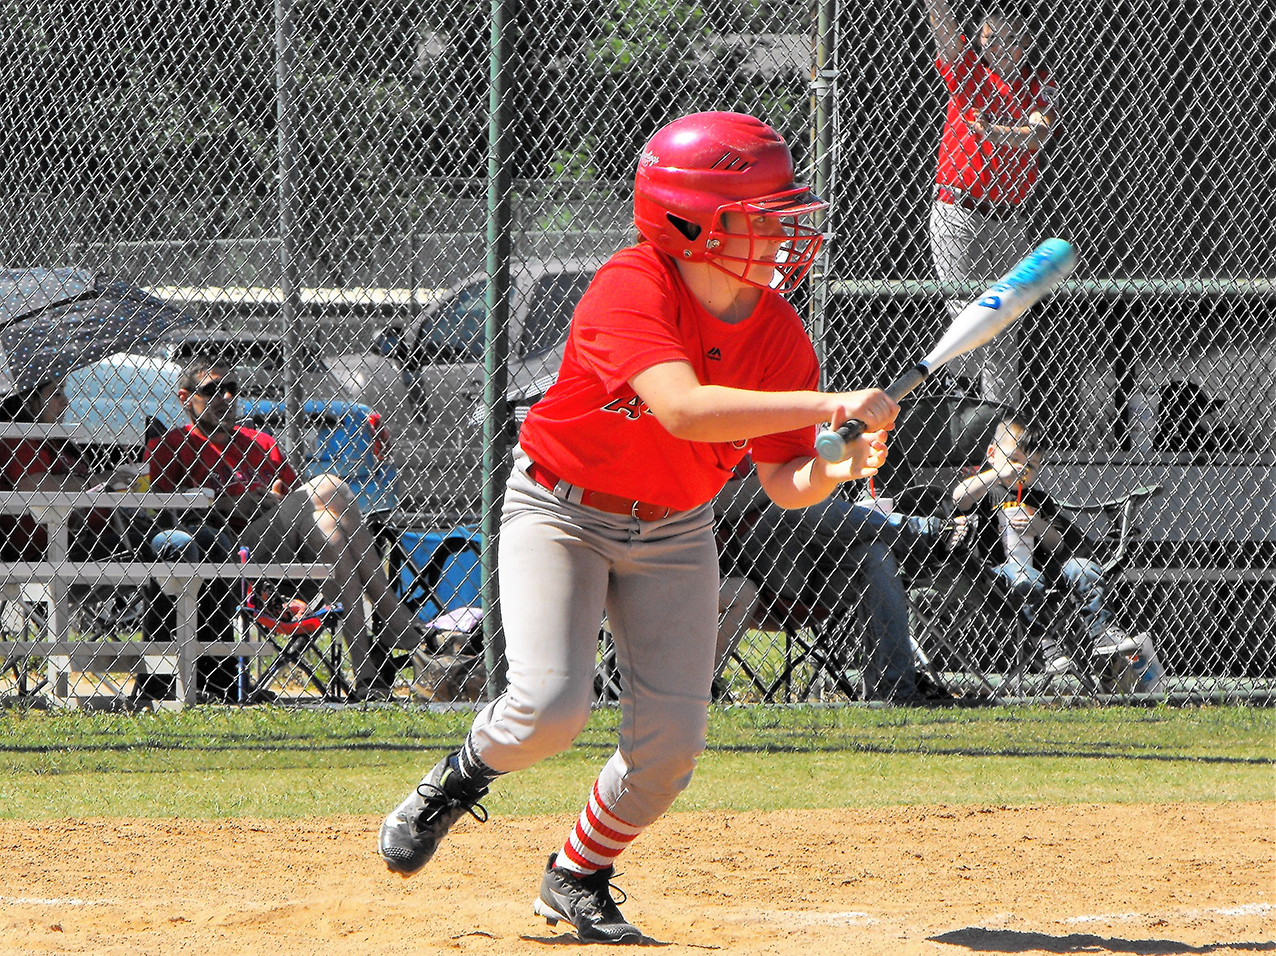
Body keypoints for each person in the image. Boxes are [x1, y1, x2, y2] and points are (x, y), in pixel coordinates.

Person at [377, 111, 898, 943]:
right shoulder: (632, 283)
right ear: (691, 221)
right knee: (549, 708)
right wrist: (830, 403)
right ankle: (456, 779)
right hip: (560, 511)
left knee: (670, 748)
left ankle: (576, 873)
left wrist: (838, 462)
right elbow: (685, 409)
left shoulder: (779, 335)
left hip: (676, 530)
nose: (783, 235)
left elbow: (784, 482)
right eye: (759, 218)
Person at [146, 355, 426, 701]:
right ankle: (395, 622)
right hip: (231, 552)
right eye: (212, 389)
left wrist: (269, 501)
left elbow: (291, 497)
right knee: (329, 486)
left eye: (231, 388)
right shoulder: (174, 444)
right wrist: (227, 504)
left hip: (286, 550)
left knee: (331, 528)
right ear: (185, 397)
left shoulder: (259, 442)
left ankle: (368, 677)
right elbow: (161, 509)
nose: (226, 397)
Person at [714, 458, 957, 703]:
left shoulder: (781, 432)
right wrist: (784, 482)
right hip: (753, 569)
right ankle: (921, 534)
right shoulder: (711, 432)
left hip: (815, 566)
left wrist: (806, 478)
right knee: (792, 502)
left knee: (875, 554)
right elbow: (716, 503)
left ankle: (895, 690)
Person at [924, 0, 1059, 405]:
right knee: (966, 313)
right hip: (958, 211)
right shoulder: (970, 73)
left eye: (1005, 40)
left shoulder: (1038, 83)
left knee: (1003, 324)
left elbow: (1037, 134)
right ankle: (960, 410)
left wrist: (995, 133)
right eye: (988, 38)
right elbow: (946, 35)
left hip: (1009, 219)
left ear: (1022, 44)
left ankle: (1000, 432)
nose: (993, 46)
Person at [949, 412, 1141, 675]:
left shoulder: (1038, 499)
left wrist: (1038, 526)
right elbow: (959, 498)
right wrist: (997, 475)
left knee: (1084, 569)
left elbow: (1058, 544)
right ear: (992, 454)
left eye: (1032, 466)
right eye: (1014, 460)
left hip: (1046, 569)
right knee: (1024, 574)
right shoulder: (986, 491)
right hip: (999, 573)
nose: (1022, 470)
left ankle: (1103, 632)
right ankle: (1045, 645)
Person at [0, 377, 133, 562]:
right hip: (51, 547)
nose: (65, 400)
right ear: (28, 401)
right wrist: (97, 481)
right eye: (55, 394)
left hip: (91, 534)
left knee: (161, 541)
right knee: (148, 547)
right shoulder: (17, 433)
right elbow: (34, 486)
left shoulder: (53, 436)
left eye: (63, 391)